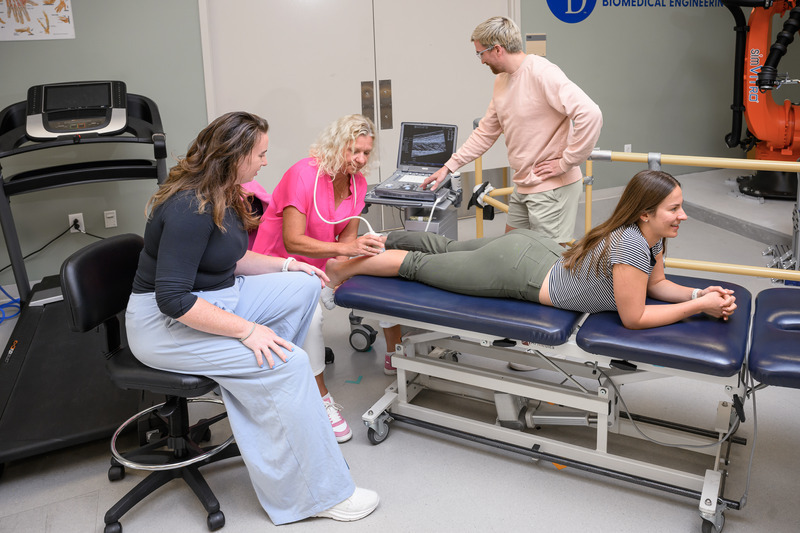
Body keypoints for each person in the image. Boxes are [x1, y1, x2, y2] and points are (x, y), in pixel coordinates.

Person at [124, 112, 379, 524]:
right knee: (289, 362)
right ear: (236, 154)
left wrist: (285, 267)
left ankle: (266, 398)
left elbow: (234, 257)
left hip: (214, 296)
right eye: (260, 154)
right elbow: (172, 299)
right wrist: (248, 331)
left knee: (303, 288)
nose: (265, 162)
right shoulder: (190, 206)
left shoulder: (223, 190)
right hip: (164, 325)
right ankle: (317, 496)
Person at [325, 170, 737, 330]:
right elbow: (635, 316)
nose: (683, 215)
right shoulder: (631, 244)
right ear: (646, 213)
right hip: (519, 273)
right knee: (418, 266)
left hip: (535, 248)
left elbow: (659, 285)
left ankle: (361, 243)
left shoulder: (650, 234)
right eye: (675, 208)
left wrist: (701, 295)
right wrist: (696, 308)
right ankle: (342, 269)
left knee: (447, 246)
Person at [247, 114, 402, 443]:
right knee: (313, 314)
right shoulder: (303, 175)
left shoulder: (357, 184)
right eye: (353, 151)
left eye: (365, 154)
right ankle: (321, 398)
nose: (359, 161)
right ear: (337, 145)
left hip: (321, 266)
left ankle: (394, 353)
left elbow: (348, 242)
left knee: (378, 274)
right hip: (280, 268)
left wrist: (353, 261)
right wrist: (341, 256)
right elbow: (293, 241)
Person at [424, 16, 603, 245]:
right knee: (511, 252)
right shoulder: (502, 80)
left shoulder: (542, 72)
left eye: (481, 53)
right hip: (524, 182)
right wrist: (450, 166)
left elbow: (590, 114)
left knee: (546, 265)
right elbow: (485, 132)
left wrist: (566, 162)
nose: (481, 61)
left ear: (497, 49)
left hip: (551, 187)